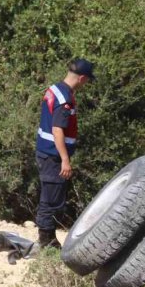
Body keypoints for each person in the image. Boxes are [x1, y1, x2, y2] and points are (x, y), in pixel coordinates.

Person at [35, 58, 95, 248]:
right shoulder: (65, 100)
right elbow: (58, 130)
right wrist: (65, 160)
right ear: (82, 78)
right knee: (51, 200)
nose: (86, 84)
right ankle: (46, 242)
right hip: (53, 156)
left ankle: (48, 239)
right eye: (87, 80)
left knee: (49, 196)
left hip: (46, 152)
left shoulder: (55, 89)